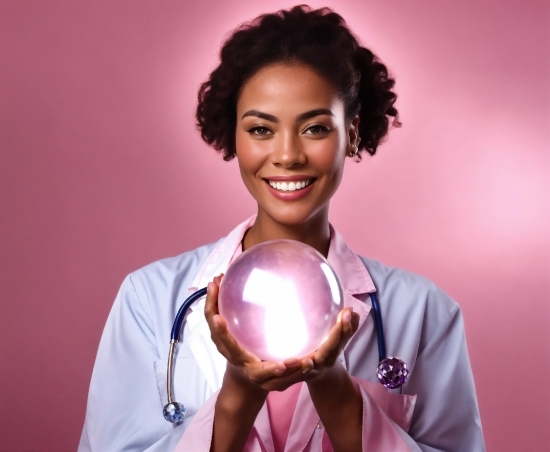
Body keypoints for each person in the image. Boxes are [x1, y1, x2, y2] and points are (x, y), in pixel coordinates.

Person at [79, 5, 485, 451]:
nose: (288, 155)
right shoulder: (149, 299)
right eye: (261, 129)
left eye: (314, 128)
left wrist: (333, 386)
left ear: (351, 133)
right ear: (233, 134)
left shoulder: (425, 312)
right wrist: (237, 396)